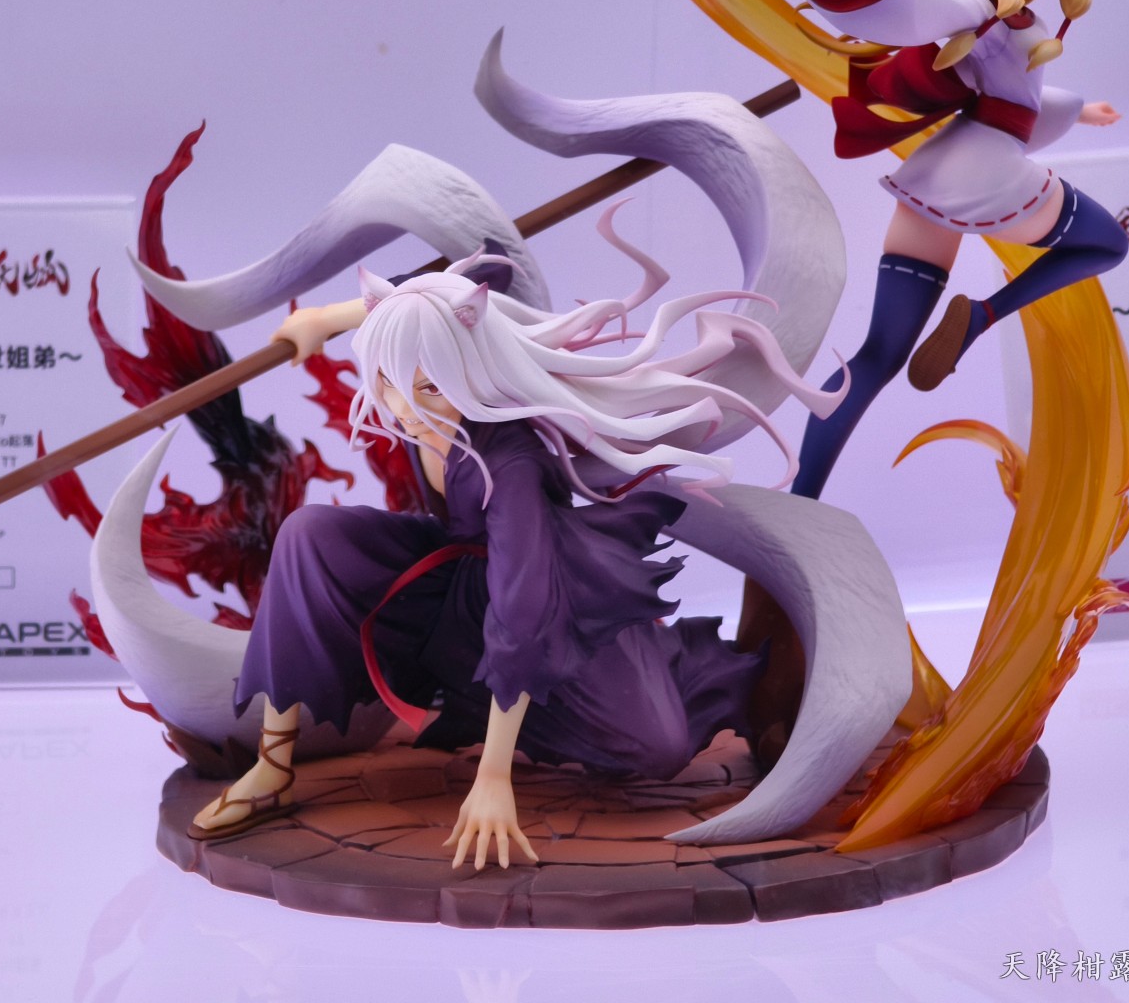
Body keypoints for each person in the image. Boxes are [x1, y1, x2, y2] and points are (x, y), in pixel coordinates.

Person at [186, 228, 844, 869]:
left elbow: (522, 609)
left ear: (467, 367)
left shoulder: (509, 457)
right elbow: (447, 290)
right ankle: (272, 766)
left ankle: (674, 669)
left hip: (548, 591)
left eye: (429, 387)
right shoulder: (426, 349)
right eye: (387, 380)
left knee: (656, 746)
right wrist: (327, 318)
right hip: (456, 577)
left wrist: (493, 777)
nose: (405, 407)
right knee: (308, 535)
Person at [734, 0, 1128, 498]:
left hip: (935, 182)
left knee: (879, 355)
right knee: (1106, 243)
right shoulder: (980, 5)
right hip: (986, 172)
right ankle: (982, 317)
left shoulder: (1005, 17)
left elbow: (1019, 98)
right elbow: (924, 6)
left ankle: (799, 498)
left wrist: (1080, 110)